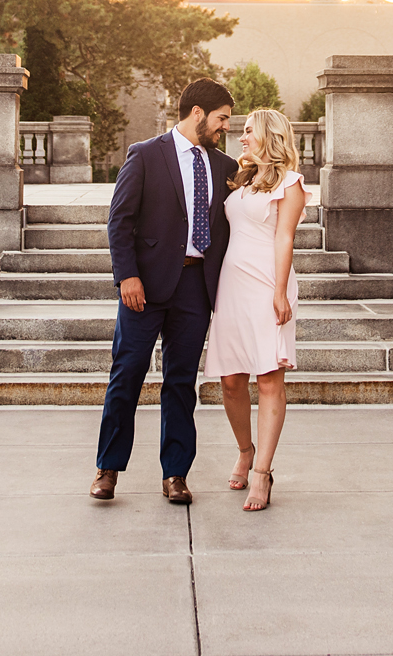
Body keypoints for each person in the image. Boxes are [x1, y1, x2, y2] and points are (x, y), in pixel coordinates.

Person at [91, 78, 235, 505]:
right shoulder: (146, 154)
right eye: (221, 119)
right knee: (127, 374)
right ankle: (108, 469)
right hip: (146, 286)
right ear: (197, 113)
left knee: (180, 382)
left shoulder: (225, 166)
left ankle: (175, 474)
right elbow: (120, 221)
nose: (224, 127)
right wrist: (127, 276)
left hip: (196, 287)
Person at [204, 106, 307, 512]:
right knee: (231, 380)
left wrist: (280, 292)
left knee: (268, 380)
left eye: (248, 131)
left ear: (268, 135)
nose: (241, 137)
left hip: (268, 284)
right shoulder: (241, 179)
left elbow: (284, 239)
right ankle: (244, 450)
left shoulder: (292, 183)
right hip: (232, 285)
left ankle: (262, 472)